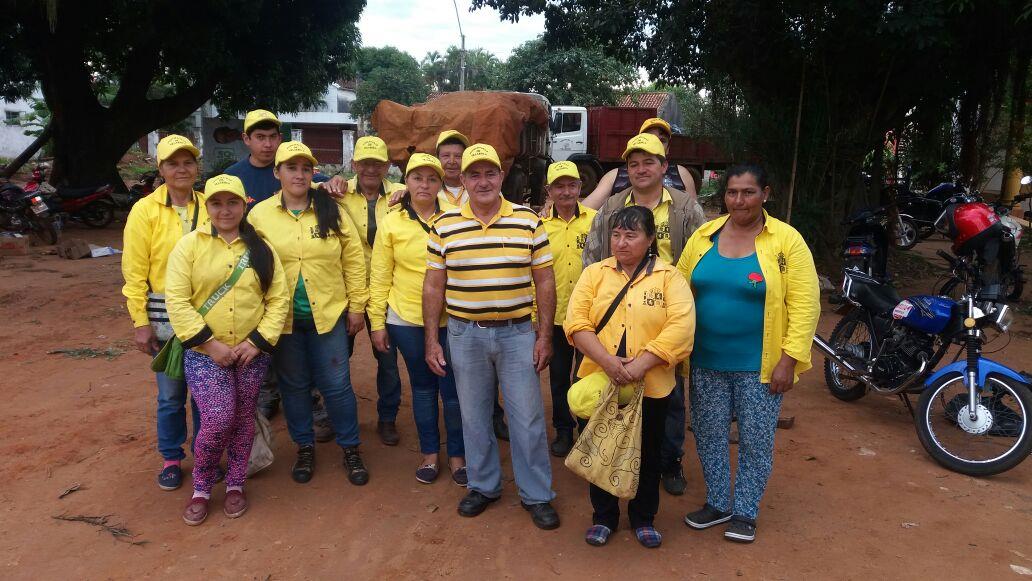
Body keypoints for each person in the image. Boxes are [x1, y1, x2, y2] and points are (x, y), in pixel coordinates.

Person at [676, 163, 820, 543]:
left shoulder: (786, 242)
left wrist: (789, 359)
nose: (739, 200)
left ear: (765, 194)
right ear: (723, 196)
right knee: (708, 434)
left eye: (748, 192)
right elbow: (678, 292)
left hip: (761, 365)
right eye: (732, 192)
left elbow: (806, 305)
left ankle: (745, 511)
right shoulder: (704, 237)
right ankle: (719, 502)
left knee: (757, 440)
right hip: (705, 360)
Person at [423, 143, 560, 530]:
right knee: (474, 414)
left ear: (501, 176)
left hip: (517, 334)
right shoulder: (443, 226)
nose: (482, 181)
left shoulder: (528, 222)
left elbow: (544, 281)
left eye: (490, 173)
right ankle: (483, 486)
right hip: (465, 335)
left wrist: (544, 335)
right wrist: (432, 340)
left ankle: (536, 494)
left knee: (528, 418)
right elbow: (434, 286)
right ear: (462, 180)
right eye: (474, 174)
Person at [582, 132, 706, 496]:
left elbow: (701, 256)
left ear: (664, 166)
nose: (640, 169)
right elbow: (593, 254)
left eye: (649, 162)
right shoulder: (612, 206)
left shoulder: (685, 208)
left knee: (667, 394)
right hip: (616, 316)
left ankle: (668, 462)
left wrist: (687, 310)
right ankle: (610, 459)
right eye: (633, 164)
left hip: (663, 317)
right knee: (612, 390)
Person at [565, 205, 695, 548]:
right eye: (617, 234)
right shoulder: (594, 274)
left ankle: (643, 517)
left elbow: (681, 328)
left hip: (652, 385)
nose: (621, 242)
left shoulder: (669, 277)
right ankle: (604, 517)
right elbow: (576, 323)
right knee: (600, 449)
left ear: (651, 239)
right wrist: (608, 362)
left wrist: (639, 366)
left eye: (631, 235)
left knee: (649, 453)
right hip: (600, 382)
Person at [165, 174, 288, 526]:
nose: (224, 210)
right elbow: (177, 300)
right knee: (218, 417)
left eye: (232, 202)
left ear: (243, 205)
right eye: (217, 203)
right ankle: (202, 487)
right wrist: (210, 344)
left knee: (243, 417)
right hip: (205, 353)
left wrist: (257, 342)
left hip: (251, 353)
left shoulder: (261, 247)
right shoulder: (189, 246)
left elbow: (277, 298)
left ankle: (236, 482)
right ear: (207, 206)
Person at [248, 141, 371, 486]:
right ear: (277, 173)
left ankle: (350, 448)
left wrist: (357, 307)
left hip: (328, 315)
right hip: (282, 320)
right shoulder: (260, 216)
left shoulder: (331, 209)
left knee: (337, 386)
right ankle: (304, 446)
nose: (299, 175)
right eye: (291, 168)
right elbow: (251, 266)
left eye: (305, 169)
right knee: (294, 387)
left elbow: (353, 260)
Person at [224, 109, 345, 436]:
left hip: (310, 288)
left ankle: (315, 406)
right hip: (260, 283)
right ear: (246, 139)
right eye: (259, 137)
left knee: (309, 362)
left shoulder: (302, 175)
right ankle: (269, 398)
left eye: (272, 136)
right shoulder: (235, 178)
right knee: (269, 354)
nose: (266, 143)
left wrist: (334, 182)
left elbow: (328, 188)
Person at [389, 129, 511, 441]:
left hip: (469, 298)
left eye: (458, 156)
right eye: (447, 156)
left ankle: (488, 419)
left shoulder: (479, 191)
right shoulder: (431, 195)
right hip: (426, 303)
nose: (453, 161)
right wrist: (405, 193)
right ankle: (446, 440)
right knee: (441, 379)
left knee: (481, 370)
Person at [367, 153, 466, 485]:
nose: (424, 185)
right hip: (406, 319)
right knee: (423, 389)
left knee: (452, 390)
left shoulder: (455, 217)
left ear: (440, 183)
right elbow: (380, 276)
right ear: (405, 182)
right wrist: (378, 323)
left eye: (431, 179)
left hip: (451, 319)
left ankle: (457, 456)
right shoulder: (392, 221)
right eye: (417, 178)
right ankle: (429, 454)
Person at [122, 134, 207, 491]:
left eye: (188, 162)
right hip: (163, 316)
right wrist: (141, 323)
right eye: (173, 163)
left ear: (196, 167)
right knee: (171, 394)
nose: (181, 169)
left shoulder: (212, 205)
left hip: (207, 313)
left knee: (205, 393)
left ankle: (205, 454)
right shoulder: (145, 210)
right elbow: (134, 271)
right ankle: (172, 457)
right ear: (161, 169)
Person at [338, 135, 406, 446]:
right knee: (338, 358)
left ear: (387, 166)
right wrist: (325, 185)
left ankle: (387, 417)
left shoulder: (400, 196)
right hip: (346, 291)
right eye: (364, 162)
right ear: (354, 164)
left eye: (377, 163)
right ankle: (333, 415)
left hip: (386, 291)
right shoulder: (336, 194)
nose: (370, 169)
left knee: (387, 359)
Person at [540, 161, 596, 457]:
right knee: (559, 376)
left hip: (590, 317)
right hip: (556, 317)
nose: (565, 191)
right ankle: (563, 430)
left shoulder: (596, 221)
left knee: (587, 376)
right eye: (558, 186)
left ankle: (588, 429)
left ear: (579, 187)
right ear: (549, 190)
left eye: (571, 185)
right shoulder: (538, 226)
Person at [581, 117, 699, 207]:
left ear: (668, 148)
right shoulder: (614, 177)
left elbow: (695, 217)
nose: (655, 143)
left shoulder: (682, 174)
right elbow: (586, 211)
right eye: (649, 138)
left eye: (662, 140)